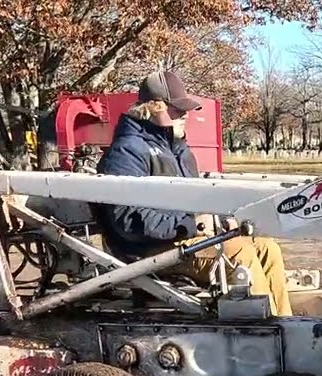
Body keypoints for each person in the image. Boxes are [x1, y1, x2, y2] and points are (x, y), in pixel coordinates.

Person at [94, 69, 292, 316]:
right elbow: (128, 219)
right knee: (237, 252)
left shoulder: (178, 150)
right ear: (155, 107)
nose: (184, 114)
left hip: (179, 238)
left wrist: (218, 220)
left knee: (266, 246)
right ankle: (268, 335)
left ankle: (285, 324)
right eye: (177, 109)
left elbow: (194, 201)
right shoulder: (126, 152)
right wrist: (192, 225)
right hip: (147, 249)